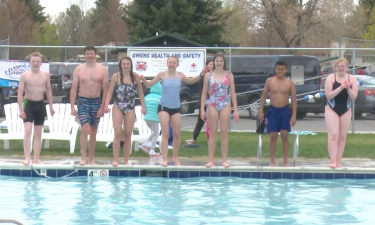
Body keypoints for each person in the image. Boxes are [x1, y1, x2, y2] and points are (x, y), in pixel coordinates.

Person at [140, 56, 203, 167]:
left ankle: (175, 158)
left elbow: (191, 81)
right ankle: (164, 159)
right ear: (167, 63)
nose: (172, 64)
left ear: (177, 64)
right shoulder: (162, 75)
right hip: (163, 106)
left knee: (177, 135)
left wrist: (201, 74)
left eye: (174, 62)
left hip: (176, 108)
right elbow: (149, 85)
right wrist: (143, 79)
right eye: (170, 62)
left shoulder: (180, 75)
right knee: (165, 133)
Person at [104, 56, 146, 167]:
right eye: (124, 64)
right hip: (118, 105)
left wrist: (143, 107)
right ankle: (116, 160)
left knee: (128, 134)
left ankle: (126, 160)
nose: (126, 66)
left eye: (128, 64)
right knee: (117, 133)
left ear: (131, 65)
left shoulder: (135, 77)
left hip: (130, 106)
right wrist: (106, 105)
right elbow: (110, 92)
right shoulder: (115, 77)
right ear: (121, 65)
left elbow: (141, 93)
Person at [70, 46, 109, 165]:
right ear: (84, 55)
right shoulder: (78, 69)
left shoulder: (102, 69)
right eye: (87, 54)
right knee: (85, 128)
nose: (90, 56)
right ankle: (83, 158)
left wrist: (104, 106)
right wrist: (72, 106)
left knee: (93, 130)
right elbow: (73, 89)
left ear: (95, 55)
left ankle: (91, 159)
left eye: (92, 53)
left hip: (96, 101)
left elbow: (106, 89)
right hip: (82, 101)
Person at [200, 53, 240, 168]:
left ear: (224, 62)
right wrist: (202, 109)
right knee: (212, 133)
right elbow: (203, 93)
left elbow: (233, 93)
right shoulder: (208, 75)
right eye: (217, 61)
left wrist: (236, 110)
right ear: (214, 62)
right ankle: (210, 160)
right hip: (212, 104)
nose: (219, 63)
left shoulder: (229, 75)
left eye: (221, 61)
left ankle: (224, 161)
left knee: (224, 133)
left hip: (225, 104)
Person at [17, 52, 55, 166]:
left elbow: (48, 90)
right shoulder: (25, 75)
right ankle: (27, 158)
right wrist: (21, 110)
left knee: (38, 133)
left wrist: (51, 106)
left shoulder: (46, 75)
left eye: (37, 61)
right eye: (33, 61)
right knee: (28, 130)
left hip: (40, 105)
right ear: (29, 63)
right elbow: (19, 93)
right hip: (28, 104)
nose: (35, 63)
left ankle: (36, 159)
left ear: (41, 63)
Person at [258, 60, 297, 167]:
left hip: (285, 111)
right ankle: (272, 162)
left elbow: (294, 99)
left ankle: (285, 162)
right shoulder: (269, 81)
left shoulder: (290, 83)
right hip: (273, 111)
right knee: (273, 135)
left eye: (282, 69)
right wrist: (260, 110)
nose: (280, 71)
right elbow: (263, 96)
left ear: (286, 70)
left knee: (285, 135)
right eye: (278, 69)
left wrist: (294, 115)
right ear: (275, 69)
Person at [324, 58, 358, 168]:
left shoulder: (352, 79)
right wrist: (340, 88)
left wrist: (348, 88)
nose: (341, 68)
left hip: (346, 109)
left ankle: (338, 162)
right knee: (333, 135)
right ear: (335, 67)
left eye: (344, 66)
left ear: (347, 67)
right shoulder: (330, 78)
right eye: (339, 66)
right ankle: (333, 161)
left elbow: (354, 97)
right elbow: (328, 96)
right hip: (331, 108)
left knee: (342, 137)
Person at [185, 60, 214, 145]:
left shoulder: (216, 75)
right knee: (201, 121)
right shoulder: (203, 75)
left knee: (212, 122)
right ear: (206, 65)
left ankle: (212, 140)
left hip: (213, 102)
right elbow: (204, 86)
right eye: (210, 64)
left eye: (213, 64)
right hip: (204, 102)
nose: (212, 66)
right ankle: (193, 138)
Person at [143, 82, 163, 158]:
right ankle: (152, 150)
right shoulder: (161, 97)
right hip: (154, 119)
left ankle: (146, 143)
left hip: (147, 119)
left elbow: (144, 105)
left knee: (154, 132)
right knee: (156, 134)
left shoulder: (147, 97)